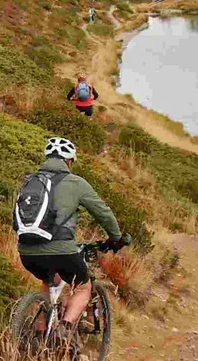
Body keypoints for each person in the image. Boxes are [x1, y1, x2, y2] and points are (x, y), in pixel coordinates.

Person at [13, 137, 125, 324]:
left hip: (27, 252)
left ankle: (40, 332)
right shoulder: (76, 183)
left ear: (47, 157)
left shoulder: (30, 181)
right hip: (61, 250)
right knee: (83, 287)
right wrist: (116, 237)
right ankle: (65, 327)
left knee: (48, 281)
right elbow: (103, 213)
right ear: (69, 160)